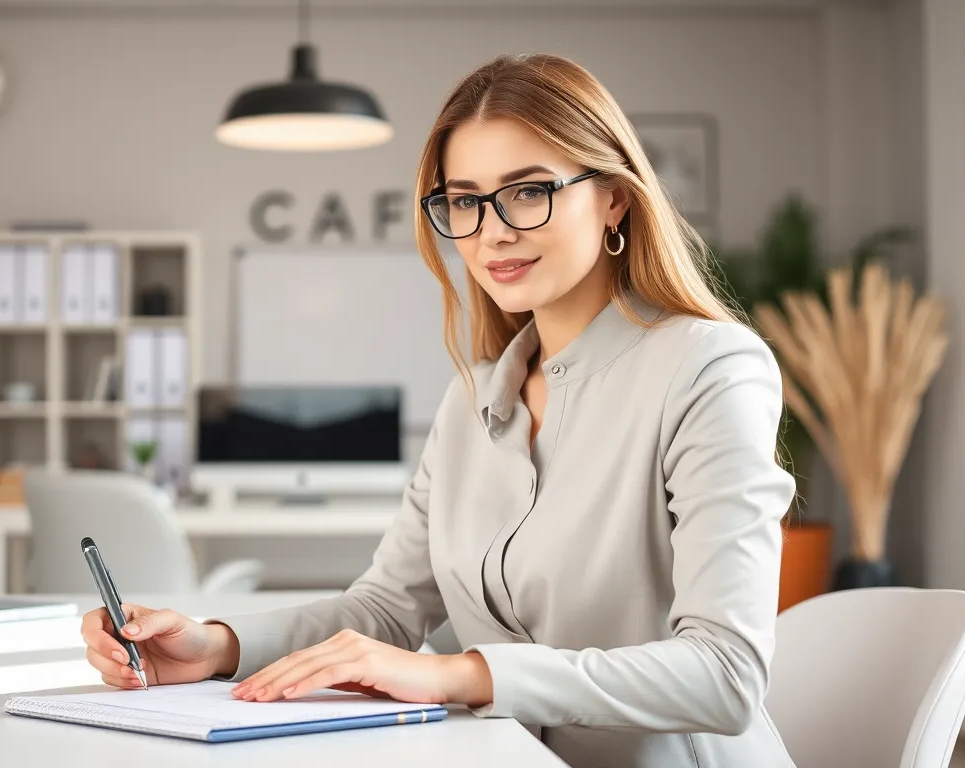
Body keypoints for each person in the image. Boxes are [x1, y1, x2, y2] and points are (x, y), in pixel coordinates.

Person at [81, 53, 797, 768]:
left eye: (528, 192)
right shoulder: (472, 400)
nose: (492, 232)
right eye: (464, 200)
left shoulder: (709, 369)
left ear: (613, 197)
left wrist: (454, 672)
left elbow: (724, 674)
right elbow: (386, 611)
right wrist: (215, 645)